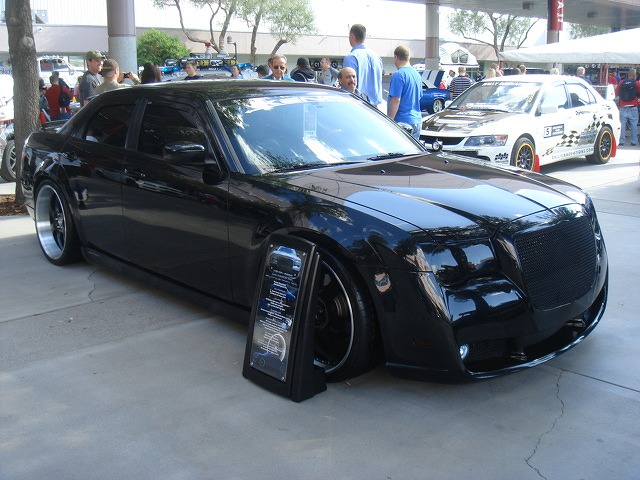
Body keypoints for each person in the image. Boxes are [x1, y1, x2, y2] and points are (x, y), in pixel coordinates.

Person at [342, 24, 383, 106]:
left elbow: (349, 87)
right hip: (375, 109)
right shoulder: (377, 57)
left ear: (352, 36)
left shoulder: (351, 58)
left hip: (358, 106)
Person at [387, 45, 422, 139]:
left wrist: (389, 121)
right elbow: (419, 97)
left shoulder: (398, 75)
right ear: (408, 57)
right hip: (417, 120)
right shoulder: (417, 75)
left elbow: (396, 100)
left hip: (402, 121)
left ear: (396, 57)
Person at [615, 67, 640, 146]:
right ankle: (634, 141)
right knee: (634, 125)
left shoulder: (621, 82)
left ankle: (621, 141)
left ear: (627, 75)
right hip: (633, 106)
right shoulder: (637, 83)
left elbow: (616, 92)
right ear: (635, 75)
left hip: (623, 106)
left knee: (622, 124)